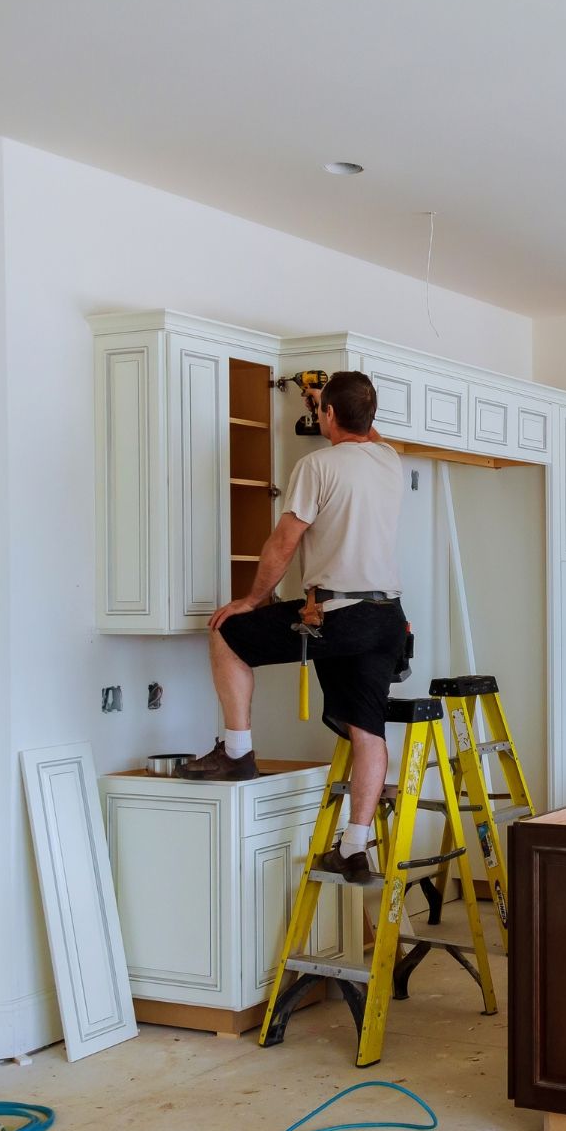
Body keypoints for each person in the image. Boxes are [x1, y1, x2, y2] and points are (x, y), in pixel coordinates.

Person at [178, 370, 405, 886]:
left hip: (337, 614)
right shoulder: (389, 460)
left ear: (327, 415)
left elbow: (283, 543)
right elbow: (363, 429)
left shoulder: (316, 465)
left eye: (321, 408)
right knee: (368, 730)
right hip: (385, 617)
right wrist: (330, 399)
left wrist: (252, 601)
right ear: (371, 417)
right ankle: (353, 849)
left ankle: (237, 753)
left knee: (226, 634)